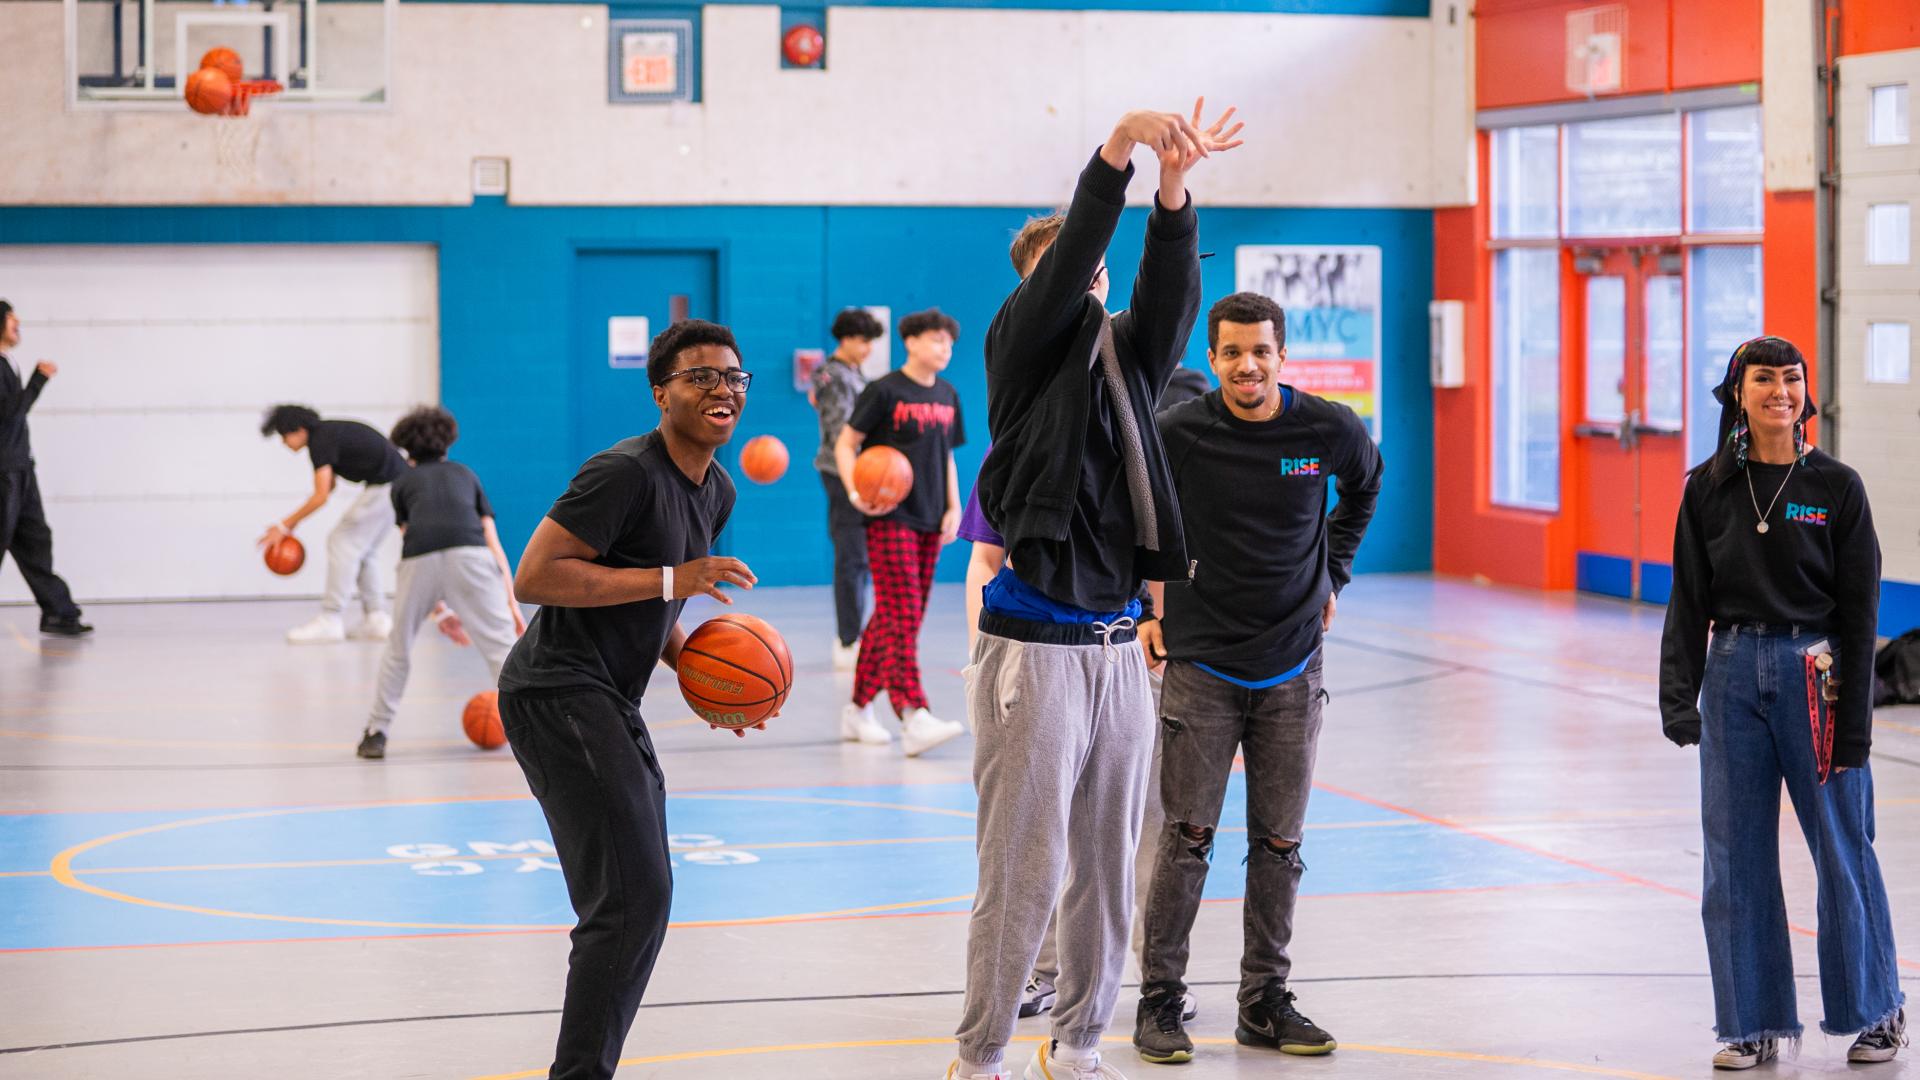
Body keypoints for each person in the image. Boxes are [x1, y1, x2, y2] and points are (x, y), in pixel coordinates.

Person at [950, 99, 1242, 1080]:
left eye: (1099, 273)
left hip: (1120, 651)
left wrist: (1171, 189)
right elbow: (1072, 262)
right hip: (1031, 651)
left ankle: (1076, 1044)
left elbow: (1167, 303)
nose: (1089, 283)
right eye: (1070, 271)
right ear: (1034, 288)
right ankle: (982, 1052)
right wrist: (1119, 151)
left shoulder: (1129, 362)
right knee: (1022, 874)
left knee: (1109, 875)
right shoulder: (1020, 353)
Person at [497, 318, 763, 1080]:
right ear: (662, 394)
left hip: (607, 697)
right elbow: (536, 576)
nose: (723, 388)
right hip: (555, 692)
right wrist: (675, 580)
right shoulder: (624, 473)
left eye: (734, 377)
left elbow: (661, 610)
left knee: (642, 894)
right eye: (702, 377)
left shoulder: (717, 488)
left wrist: (705, 674)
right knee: (629, 897)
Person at [1132, 291, 1382, 1064]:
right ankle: (1160, 1001)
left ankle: (1264, 1002)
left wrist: (1333, 573)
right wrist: (1147, 604)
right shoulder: (1178, 433)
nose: (1248, 365)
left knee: (1279, 842)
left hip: (1293, 667)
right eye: (1232, 352)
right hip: (1201, 663)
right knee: (1186, 841)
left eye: (1261, 351)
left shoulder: (1327, 429)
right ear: (1212, 359)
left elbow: (1364, 489)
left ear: (1282, 355)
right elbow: (1136, 515)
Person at [1659, 336, 1901, 1070]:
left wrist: (1854, 724)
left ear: (1804, 394)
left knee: (1841, 847)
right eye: (1764, 379)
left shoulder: (1837, 487)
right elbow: (1688, 599)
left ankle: (1876, 1012)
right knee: (1734, 858)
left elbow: (1861, 615)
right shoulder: (1707, 488)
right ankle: (1751, 1022)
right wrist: (1679, 697)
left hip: (1816, 674)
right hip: (1732, 672)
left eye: (1791, 380)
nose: (1780, 392)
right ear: (1739, 392)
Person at [354, 405, 525, 760]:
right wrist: (509, 602)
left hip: (419, 560)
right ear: (447, 443)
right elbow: (492, 543)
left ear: (406, 450)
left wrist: (439, 609)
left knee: (398, 647)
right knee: (503, 650)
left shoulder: (401, 485)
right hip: (472, 557)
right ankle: (535, 729)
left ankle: (376, 732)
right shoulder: (465, 474)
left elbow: (417, 544)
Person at [834, 308, 967, 754]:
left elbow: (946, 455)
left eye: (948, 343)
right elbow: (846, 443)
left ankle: (857, 710)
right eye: (935, 340)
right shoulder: (884, 390)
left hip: (931, 516)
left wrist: (954, 506)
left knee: (897, 616)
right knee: (903, 612)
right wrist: (855, 493)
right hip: (889, 516)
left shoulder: (948, 394)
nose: (944, 348)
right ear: (909, 341)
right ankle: (913, 713)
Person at [259, 404, 409, 644]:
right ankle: (376, 619)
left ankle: (330, 618)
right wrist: (292, 524)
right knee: (363, 550)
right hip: (398, 485)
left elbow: (320, 497)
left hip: (387, 487)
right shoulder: (328, 434)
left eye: (283, 435)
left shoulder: (320, 440)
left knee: (341, 540)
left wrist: (283, 525)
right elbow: (328, 487)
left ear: (297, 429)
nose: (284, 443)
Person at [0, 300, 89, 637]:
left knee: (36, 539)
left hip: (20, 468)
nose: (17, 322)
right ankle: (59, 611)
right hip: (4, 472)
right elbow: (9, 412)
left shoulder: (7, 362)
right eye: (10, 318)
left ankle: (59, 612)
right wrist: (38, 381)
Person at [810, 307, 885, 671]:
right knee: (851, 557)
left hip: (862, 473)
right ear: (847, 339)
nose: (868, 348)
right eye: (864, 340)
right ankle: (847, 640)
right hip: (843, 474)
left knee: (862, 560)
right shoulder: (833, 375)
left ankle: (855, 635)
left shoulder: (853, 373)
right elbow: (843, 432)